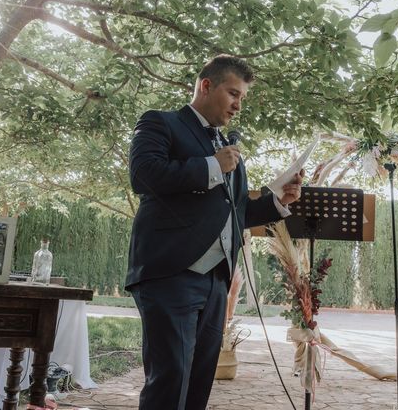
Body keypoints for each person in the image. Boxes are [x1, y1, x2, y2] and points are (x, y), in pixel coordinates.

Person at [126, 55, 304, 410]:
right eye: (233, 94)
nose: (238, 105)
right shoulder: (161, 123)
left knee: (198, 380)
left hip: (215, 282)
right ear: (206, 86)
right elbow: (143, 175)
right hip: (170, 273)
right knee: (170, 377)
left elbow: (235, 211)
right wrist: (212, 165)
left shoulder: (228, 149)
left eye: (242, 98)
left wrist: (278, 202)